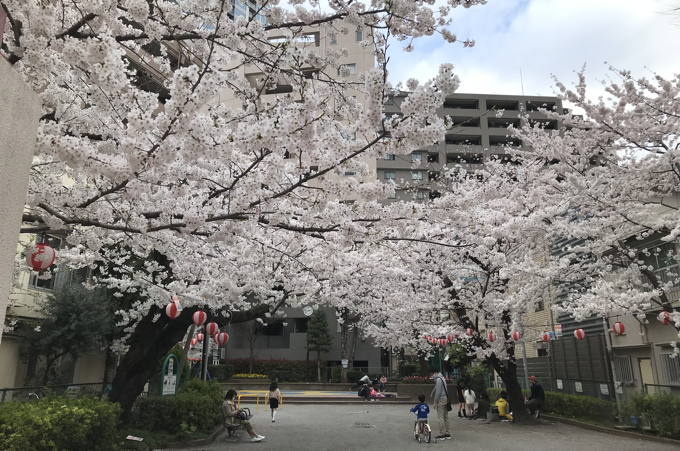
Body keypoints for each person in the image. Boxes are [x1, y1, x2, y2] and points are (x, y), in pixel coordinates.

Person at [430, 372, 452, 440]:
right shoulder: (443, 378)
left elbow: (438, 392)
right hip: (445, 399)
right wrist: (432, 392)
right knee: (446, 417)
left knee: (440, 417)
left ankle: (442, 434)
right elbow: (436, 387)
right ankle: (448, 433)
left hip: (441, 399)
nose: (432, 377)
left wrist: (435, 402)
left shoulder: (439, 380)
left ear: (435, 373)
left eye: (432, 375)